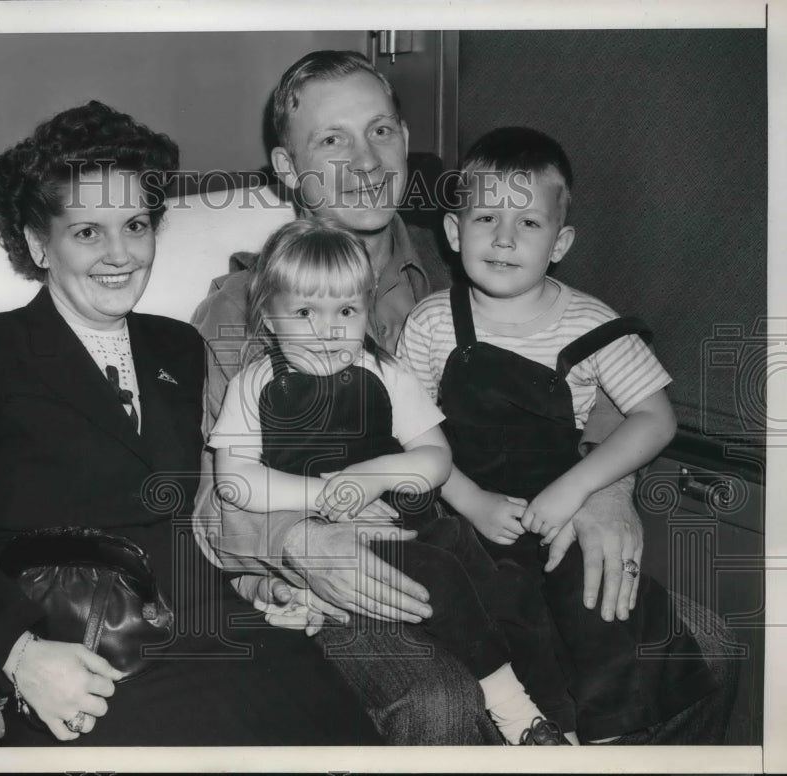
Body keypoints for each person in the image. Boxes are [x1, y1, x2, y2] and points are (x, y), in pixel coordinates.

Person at [192, 49, 684, 744]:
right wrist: (299, 539)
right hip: (346, 565)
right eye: (332, 140)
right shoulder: (244, 310)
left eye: (382, 131)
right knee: (445, 702)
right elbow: (213, 501)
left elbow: (594, 380)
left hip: (486, 539)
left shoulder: (471, 255)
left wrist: (606, 490)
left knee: (697, 649)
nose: (366, 162)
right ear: (284, 168)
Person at [0, 101, 382, 746]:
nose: (120, 255)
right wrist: (20, 657)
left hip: (227, 630)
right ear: (41, 243)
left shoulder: (177, 346)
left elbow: (200, 512)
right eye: (88, 232)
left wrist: (260, 582)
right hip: (87, 657)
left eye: (135, 224)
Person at [398, 126, 720, 742]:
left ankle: (606, 737)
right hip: (464, 509)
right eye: (486, 216)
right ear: (452, 231)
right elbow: (407, 432)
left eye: (529, 224)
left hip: (561, 508)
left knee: (602, 608)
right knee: (493, 607)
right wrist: (470, 499)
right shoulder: (432, 322)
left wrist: (577, 491)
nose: (503, 237)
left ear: (561, 242)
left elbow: (656, 419)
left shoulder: (593, 323)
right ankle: (547, 730)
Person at [211, 218, 580, 744]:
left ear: (365, 310)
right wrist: (330, 492)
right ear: (268, 318)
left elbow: (435, 459)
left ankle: (563, 720)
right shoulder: (256, 384)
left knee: (510, 590)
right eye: (304, 313)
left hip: (412, 525)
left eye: (345, 311)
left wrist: (373, 475)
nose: (328, 331)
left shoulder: (384, 372)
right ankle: (516, 713)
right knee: (441, 578)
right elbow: (235, 482)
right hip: (337, 542)